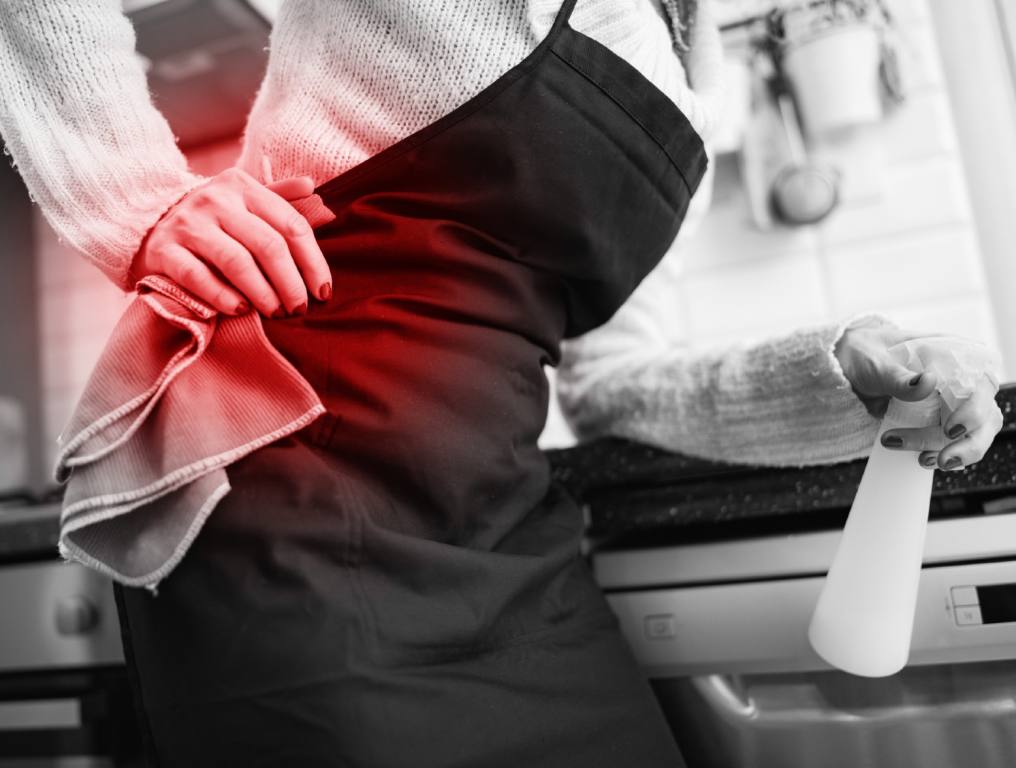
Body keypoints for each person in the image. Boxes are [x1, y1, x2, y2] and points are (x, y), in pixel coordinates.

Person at [0, 1, 1002, 767]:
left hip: (498, 529)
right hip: (290, 506)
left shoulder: (698, 79)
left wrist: (847, 374)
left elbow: (613, 387)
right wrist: (135, 201)